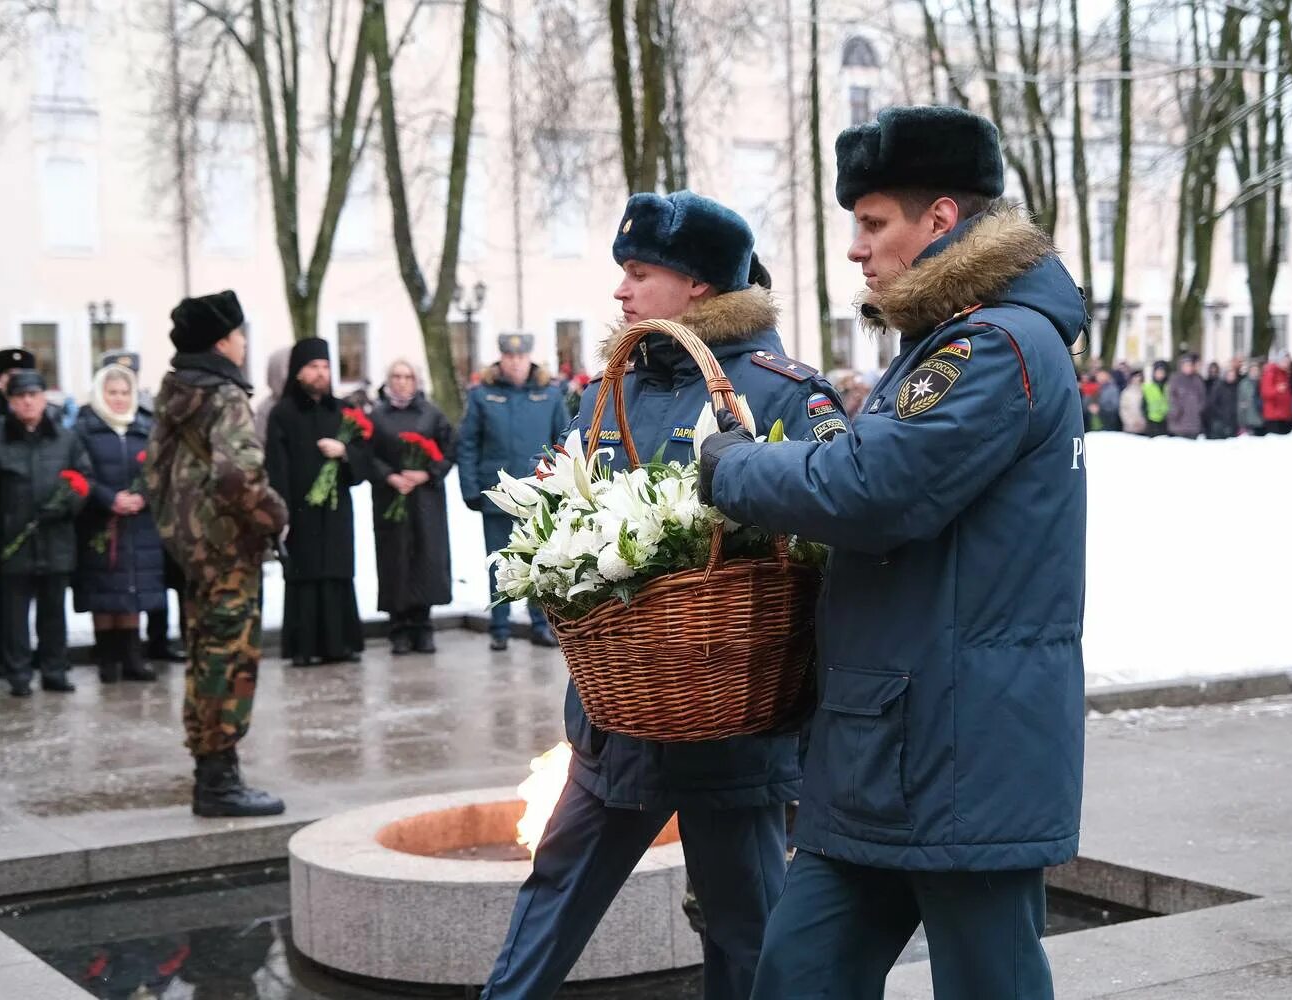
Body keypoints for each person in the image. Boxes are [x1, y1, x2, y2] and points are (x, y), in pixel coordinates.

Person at [697, 105, 1085, 1000]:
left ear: (940, 221)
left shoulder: (994, 346)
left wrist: (735, 467)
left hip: (962, 752)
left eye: (874, 224)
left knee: (989, 983)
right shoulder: (953, 343)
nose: (856, 248)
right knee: (796, 977)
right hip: (891, 741)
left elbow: (873, 489)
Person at [482, 192, 847, 1000]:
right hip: (615, 721)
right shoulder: (613, 388)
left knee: (745, 931)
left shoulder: (784, 391)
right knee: (550, 903)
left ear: (701, 287)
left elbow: (833, 537)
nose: (621, 291)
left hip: (735, 726)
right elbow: (564, 505)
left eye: (640, 273)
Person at [148, 289, 289, 817]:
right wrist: (275, 514)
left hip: (193, 548)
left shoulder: (178, 393)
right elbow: (237, 475)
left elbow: (157, 475)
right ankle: (218, 783)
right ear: (221, 341)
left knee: (205, 653)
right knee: (230, 659)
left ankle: (211, 771)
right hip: (228, 550)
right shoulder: (225, 396)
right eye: (239, 334)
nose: (244, 343)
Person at [0, 370, 93, 697]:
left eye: (33, 395)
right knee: (15, 616)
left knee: (53, 611)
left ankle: (54, 670)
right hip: (15, 542)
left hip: (55, 539)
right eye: (20, 396)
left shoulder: (66, 439)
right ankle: (18, 674)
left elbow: (83, 479)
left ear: (44, 398)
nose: (28, 401)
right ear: (11, 402)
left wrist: (65, 505)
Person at [457, 334, 568, 652]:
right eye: (509, 356)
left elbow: (562, 440)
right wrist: (469, 489)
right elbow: (467, 445)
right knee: (499, 560)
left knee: (539, 559)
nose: (515, 361)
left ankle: (540, 624)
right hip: (495, 491)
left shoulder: (549, 393)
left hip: (537, 492)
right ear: (501, 358)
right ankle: (500, 626)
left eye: (520, 356)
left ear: (529, 357)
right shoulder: (482, 395)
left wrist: (557, 485)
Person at [265, 338, 369, 666]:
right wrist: (281, 512)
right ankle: (304, 646)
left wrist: (345, 454)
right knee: (304, 574)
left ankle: (341, 644)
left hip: (337, 511)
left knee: (337, 572)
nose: (321, 373)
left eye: (325, 367)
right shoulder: (282, 414)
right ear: (297, 372)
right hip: (299, 509)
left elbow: (364, 459)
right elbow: (275, 466)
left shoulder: (342, 411)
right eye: (313, 367)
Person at [73, 363, 164, 683]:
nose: (119, 399)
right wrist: (109, 498)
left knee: (133, 587)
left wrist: (142, 496)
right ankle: (107, 657)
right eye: (112, 392)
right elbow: (80, 473)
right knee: (104, 588)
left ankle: (132, 657)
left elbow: (157, 469)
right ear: (101, 393)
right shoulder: (85, 428)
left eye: (125, 392)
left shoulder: (145, 427)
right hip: (101, 519)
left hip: (138, 521)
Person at [368, 360, 457, 655]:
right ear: (388, 381)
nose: (402, 382)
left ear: (416, 381)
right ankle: (398, 627)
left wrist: (428, 473)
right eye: (396, 376)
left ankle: (423, 626)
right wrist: (389, 476)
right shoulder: (378, 416)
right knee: (395, 559)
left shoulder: (430, 414)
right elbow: (367, 453)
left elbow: (450, 448)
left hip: (425, 500)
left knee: (425, 558)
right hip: (391, 498)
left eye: (408, 376)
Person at [1166, 354, 1206, 439]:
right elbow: (1171, 397)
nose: (1188, 368)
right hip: (1179, 423)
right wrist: (1176, 411)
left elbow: (1202, 397)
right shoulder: (1175, 379)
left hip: (1194, 423)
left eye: (1190, 365)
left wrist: (1198, 409)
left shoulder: (1197, 380)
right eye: (1186, 365)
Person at [1260, 352, 1292, 434]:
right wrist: (1277, 390)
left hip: (1285, 415)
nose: (1287, 364)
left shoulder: (1285, 373)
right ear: (1279, 361)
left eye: (1288, 362)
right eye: (1285, 361)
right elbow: (1265, 393)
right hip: (1274, 417)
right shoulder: (1270, 372)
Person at [1204, 364, 1240, 438]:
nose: (1231, 377)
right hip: (1219, 420)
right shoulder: (1219, 386)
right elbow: (1212, 403)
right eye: (1229, 374)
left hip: (1233, 421)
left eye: (1233, 375)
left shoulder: (1237, 387)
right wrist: (1220, 414)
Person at [1143, 360, 1170, 436]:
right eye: (1158, 372)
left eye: (1162, 372)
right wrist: (1146, 416)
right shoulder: (1148, 387)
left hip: (1166, 420)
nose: (1160, 374)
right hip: (1152, 421)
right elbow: (1143, 404)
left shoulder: (1169, 386)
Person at [1239, 360, 1265, 436]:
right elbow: (1240, 404)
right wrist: (1241, 422)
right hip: (1249, 421)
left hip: (1262, 421)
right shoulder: (1243, 384)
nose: (1254, 372)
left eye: (1256, 370)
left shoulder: (1262, 382)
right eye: (1252, 370)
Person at [1118, 369, 1147, 434]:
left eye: (1139, 376)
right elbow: (1123, 409)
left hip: (1144, 427)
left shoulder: (1145, 390)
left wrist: (1143, 422)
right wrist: (1131, 422)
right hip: (1130, 428)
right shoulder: (1126, 392)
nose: (1137, 379)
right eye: (1135, 377)